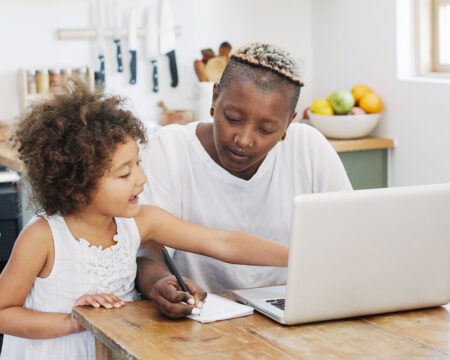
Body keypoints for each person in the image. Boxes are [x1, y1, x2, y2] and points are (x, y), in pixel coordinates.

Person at [0, 81, 288, 360]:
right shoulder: (43, 237)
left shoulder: (140, 221)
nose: (141, 179)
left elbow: (222, 242)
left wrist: (299, 256)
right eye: (124, 174)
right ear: (76, 186)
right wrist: (74, 322)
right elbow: (3, 312)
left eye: (138, 164)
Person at [136, 42, 353, 318]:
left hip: (295, 316)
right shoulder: (169, 150)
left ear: (289, 122)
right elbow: (146, 252)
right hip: (200, 324)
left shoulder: (308, 148)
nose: (244, 140)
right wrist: (160, 282)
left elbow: (346, 240)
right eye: (233, 118)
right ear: (215, 96)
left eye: (266, 129)